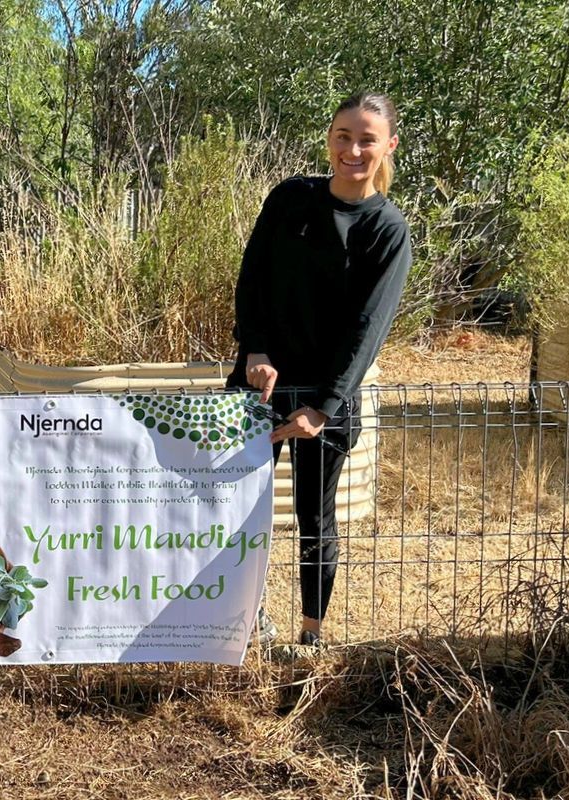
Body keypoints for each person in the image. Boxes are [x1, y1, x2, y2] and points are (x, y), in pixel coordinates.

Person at [227, 93, 411, 647]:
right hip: (258, 389)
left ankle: (310, 633)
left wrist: (323, 408)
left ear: (388, 147)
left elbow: (367, 328)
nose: (353, 149)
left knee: (315, 515)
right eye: (343, 135)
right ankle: (236, 623)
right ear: (329, 137)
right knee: (234, 508)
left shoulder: (386, 229)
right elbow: (252, 277)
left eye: (367, 139)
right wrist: (255, 350)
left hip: (326, 399)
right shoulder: (290, 200)